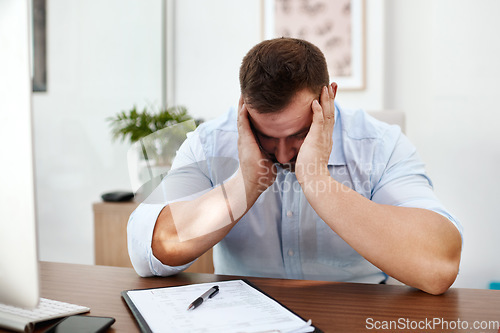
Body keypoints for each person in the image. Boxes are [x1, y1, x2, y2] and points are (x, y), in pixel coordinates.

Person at [127, 37, 462, 295]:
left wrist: (317, 180)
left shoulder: (380, 145)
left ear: (328, 97)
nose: (284, 155)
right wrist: (246, 182)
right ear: (244, 106)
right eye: (267, 136)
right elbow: (148, 251)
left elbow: (438, 264)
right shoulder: (210, 142)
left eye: (299, 134)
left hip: (354, 314)